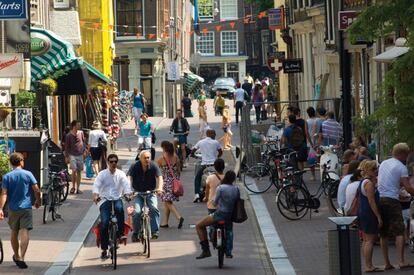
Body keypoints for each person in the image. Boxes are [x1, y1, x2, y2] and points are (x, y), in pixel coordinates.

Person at [0, 153, 41, 269]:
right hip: (26, 208)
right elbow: (36, 189)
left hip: (13, 209)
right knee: (24, 231)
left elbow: (4, 193)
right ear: (21, 161)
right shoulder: (28, 174)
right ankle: (22, 257)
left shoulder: (7, 177)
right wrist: (38, 201)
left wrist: (0, 209)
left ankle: (16, 256)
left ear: (11, 163)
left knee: (14, 231)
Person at [378, 143, 414, 270]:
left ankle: (387, 263)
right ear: (403, 154)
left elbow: (388, 181)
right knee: (400, 230)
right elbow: (408, 187)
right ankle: (401, 261)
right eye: (407, 154)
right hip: (392, 200)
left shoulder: (383, 163)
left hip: (381, 199)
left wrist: (398, 190)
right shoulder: (401, 167)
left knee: (384, 233)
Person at [92, 154, 132, 259]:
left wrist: (127, 194)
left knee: (119, 209)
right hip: (105, 199)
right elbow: (96, 185)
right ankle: (104, 249)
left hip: (117, 198)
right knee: (104, 223)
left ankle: (120, 233)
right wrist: (96, 195)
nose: (113, 163)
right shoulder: (102, 174)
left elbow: (126, 185)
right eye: (111, 161)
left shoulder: (121, 174)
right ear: (108, 163)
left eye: (115, 161)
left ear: (117, 162)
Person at [195, 170, 239, 259]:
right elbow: (237, 202)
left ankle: (206, 250)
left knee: (199, 226)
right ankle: (228, 252)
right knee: (229, 231)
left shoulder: (221, 188)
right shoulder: (236, 189)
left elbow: (215, 203)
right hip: (230, 215)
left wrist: (212, 201)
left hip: (220, 214)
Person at [128, 150, 164, 241]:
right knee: (137, 212)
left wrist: (159, 188)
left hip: (151, 192)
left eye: (148, 157)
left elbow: (159, 177)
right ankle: (136, 233)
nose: (147, 159)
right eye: (145, 158)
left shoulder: (153, 165)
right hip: (138, 193)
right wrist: (128, 190)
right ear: (140, 158)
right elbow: (129, 177)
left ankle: (155, 231)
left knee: (154, 208)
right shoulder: (134, 166)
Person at [357, 160, 382, 273]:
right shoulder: (369, 184)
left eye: (376, 169)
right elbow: (372, 202)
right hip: (369, 213)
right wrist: (378, 216)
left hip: (363, 211)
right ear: (367, 170)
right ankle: (369, 265)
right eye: (373, 169)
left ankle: (368, 264)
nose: (376, 171)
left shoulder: (363, 181)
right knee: (370, 240)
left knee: (366, 240)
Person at [157, 141, 184, 229]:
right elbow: (179, 169)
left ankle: (179, 217)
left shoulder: (162, 158)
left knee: (166, 201)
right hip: (174, 181)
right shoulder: (175, 157)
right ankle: (165, 222)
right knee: (168, 202)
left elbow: (158, 168)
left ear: (164, 148)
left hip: (166, 182)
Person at [191, 129, 223, 203]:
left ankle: (197, 194)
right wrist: (217, 157)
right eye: (214, 134)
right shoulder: (216, 142)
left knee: (197, 178)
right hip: (214, 165)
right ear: (211, 134)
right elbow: (220, 152)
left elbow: (192, 151)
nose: (215, 135)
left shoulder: (201, 142)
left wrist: (194, 155)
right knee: (221, 177)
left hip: (204, 165)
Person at [65, 120, 86, 194]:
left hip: (80, 154)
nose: (79, 126)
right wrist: (66, 156)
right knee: (74, 171)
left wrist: (84, 151)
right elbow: (67, 147)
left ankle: (78, 188)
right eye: (78, 125)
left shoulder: (81, 133)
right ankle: (73, 187)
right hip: (72, 155)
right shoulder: (68, 135)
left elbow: (83, 142)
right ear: (74, 126)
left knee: (79, 171)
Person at [306, 107, 318, 180]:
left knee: (311, 159)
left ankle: (313, 176)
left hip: (311, 143)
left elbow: (306, 133)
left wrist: (310, 143)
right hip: (319, 142)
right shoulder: (318, 120)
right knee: (320, 158)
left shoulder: (307, 121)